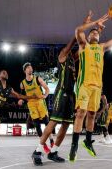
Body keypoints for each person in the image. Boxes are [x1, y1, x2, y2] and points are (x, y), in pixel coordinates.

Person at [69, 11, 112, 162]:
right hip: (84, 84)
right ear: (89, 36)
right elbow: (78, 31)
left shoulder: (102, 47)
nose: (94, 34)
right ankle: (74, 145)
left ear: (99, 37)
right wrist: (94, 22)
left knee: (92, 114)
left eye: (97, 33)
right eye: (92, 33)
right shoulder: (83, 45)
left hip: (97, 87)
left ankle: (87, 141)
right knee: (81, 112)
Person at [31, 36, 78, 166]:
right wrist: (77, 35)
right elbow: (72, 44)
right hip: (61, 92)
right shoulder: (62, 56)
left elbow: (84, 49)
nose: (69, 50)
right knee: (54, 121)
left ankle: (53, 152)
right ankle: (37, 151)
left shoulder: (72, 61)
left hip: (70, 95)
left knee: (66, 124)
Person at [0, 70, 36, 157]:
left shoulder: (9, 89)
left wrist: (30, 97)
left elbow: (18, 96)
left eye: (6, 73)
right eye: (3, 72)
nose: (6, 73)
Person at [18, 63, 54, 154]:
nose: (30, 69)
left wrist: (45, 95)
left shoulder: (38, 79)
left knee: (46, 123)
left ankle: (52, 141)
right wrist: (21, 99)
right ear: (25, 71)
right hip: (31, 104)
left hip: (40, 102)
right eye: (28, 68)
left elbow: (47, 89)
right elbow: (22, 95)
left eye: (31, 68)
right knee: (37, 125)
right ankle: (44, 145)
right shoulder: (22, 84)